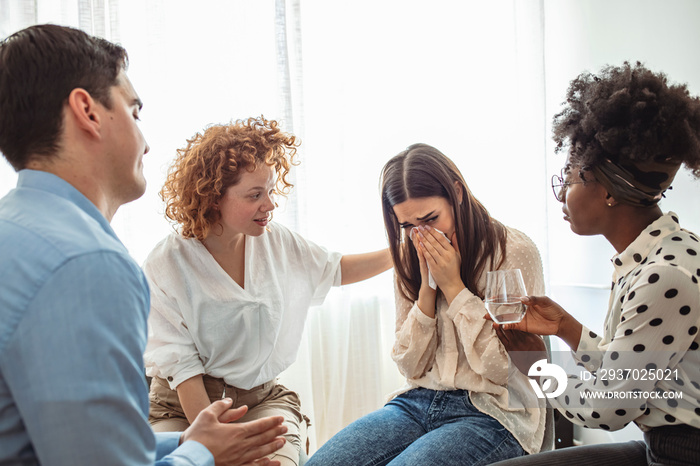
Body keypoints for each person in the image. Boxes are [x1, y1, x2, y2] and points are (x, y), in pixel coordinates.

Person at [0, 24, 288, 465]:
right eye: (134, 112)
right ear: (87, 111)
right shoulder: (86, 264)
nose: (147, 142)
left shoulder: (15, 229)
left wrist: (189, 445)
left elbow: (78, 444)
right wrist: (201, 456)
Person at [142, 117, 393, 466]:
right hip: (183, 409)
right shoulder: (167, 263)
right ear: (214, 198)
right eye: (255, 195)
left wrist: (399, 252)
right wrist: (216, 448)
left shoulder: (277, 242)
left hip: (262, 400)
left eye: (271, 191)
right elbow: (184, 372)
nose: (270, 204)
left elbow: (335, 269)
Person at [490, 62, 700, 466]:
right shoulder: (659, 252)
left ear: (605, 190)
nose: (562, 192)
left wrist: (535, 365)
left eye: (570, 176)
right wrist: (566, 327)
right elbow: (631, 371)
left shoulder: (663, 276)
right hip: (666, 441)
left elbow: (607, 408)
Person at [306, 143, 552, 465]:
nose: (421, 234)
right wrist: (427, 289)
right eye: (408, 225)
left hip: (494, 411)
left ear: (457, 194)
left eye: (430, 218)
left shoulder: (512, 251)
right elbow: (410, 366)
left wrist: (454, 287)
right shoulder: (409, 253)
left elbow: (499, 370)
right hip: (418, 401)